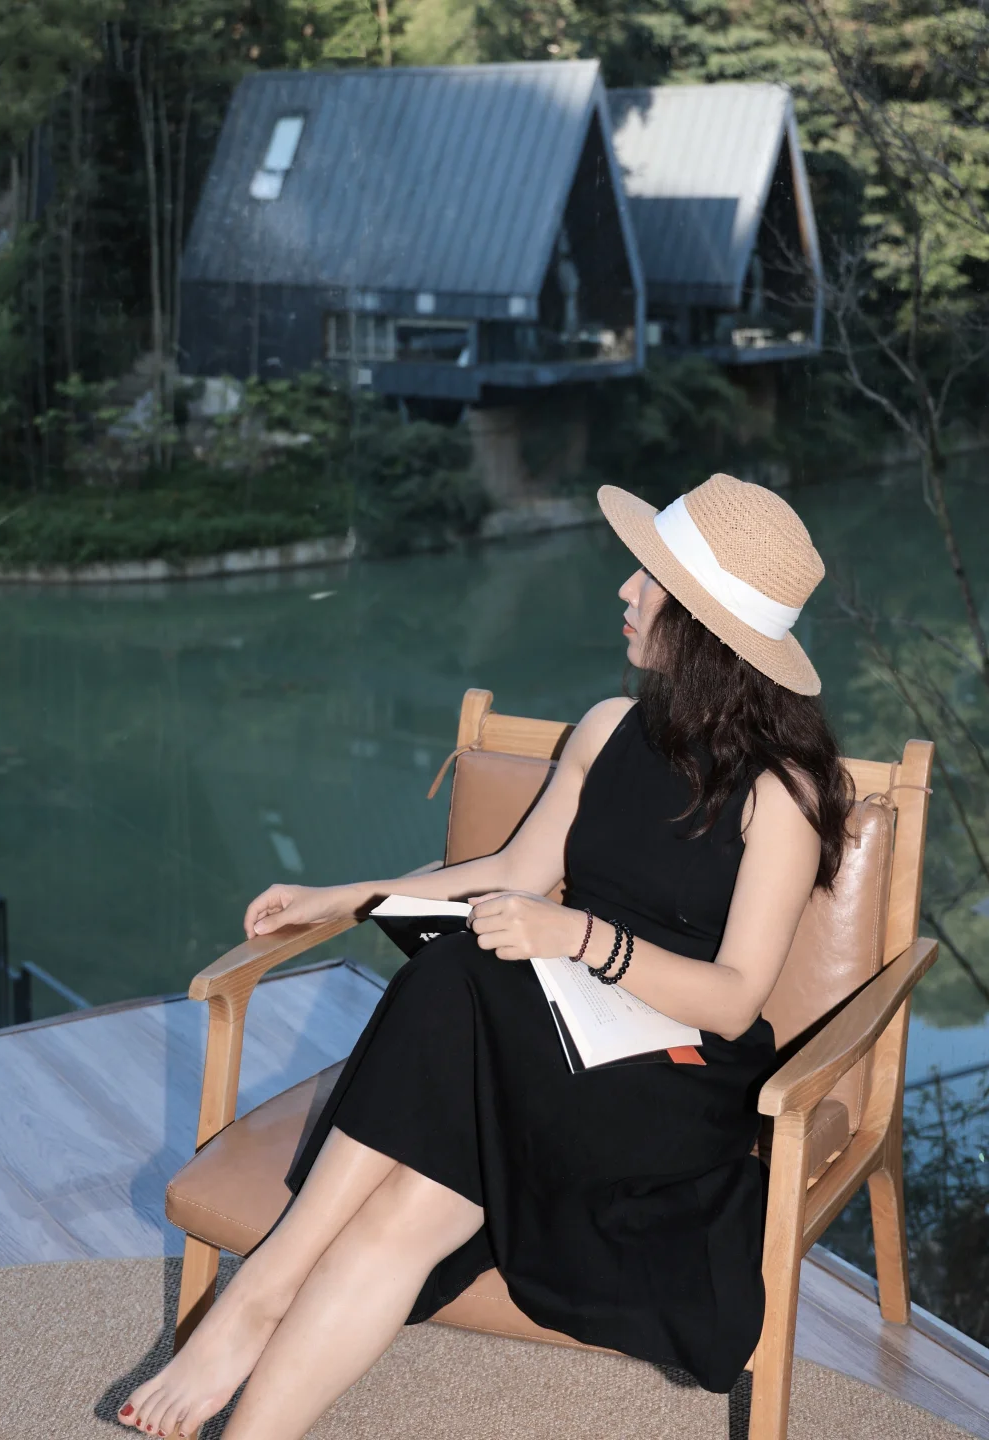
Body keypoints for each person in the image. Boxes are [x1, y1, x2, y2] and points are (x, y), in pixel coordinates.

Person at [118, 472, 854, 1440]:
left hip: (672, 1083)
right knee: (409, 1201)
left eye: (647, 579)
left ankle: (261, 1293)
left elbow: (734, 999)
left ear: (704, 623)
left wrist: (578, 936)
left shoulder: (782, 794)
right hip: (556, 1043)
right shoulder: (608, 729)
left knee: (459, 974)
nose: (624, 590)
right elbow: (508, 870)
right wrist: (345, 896)